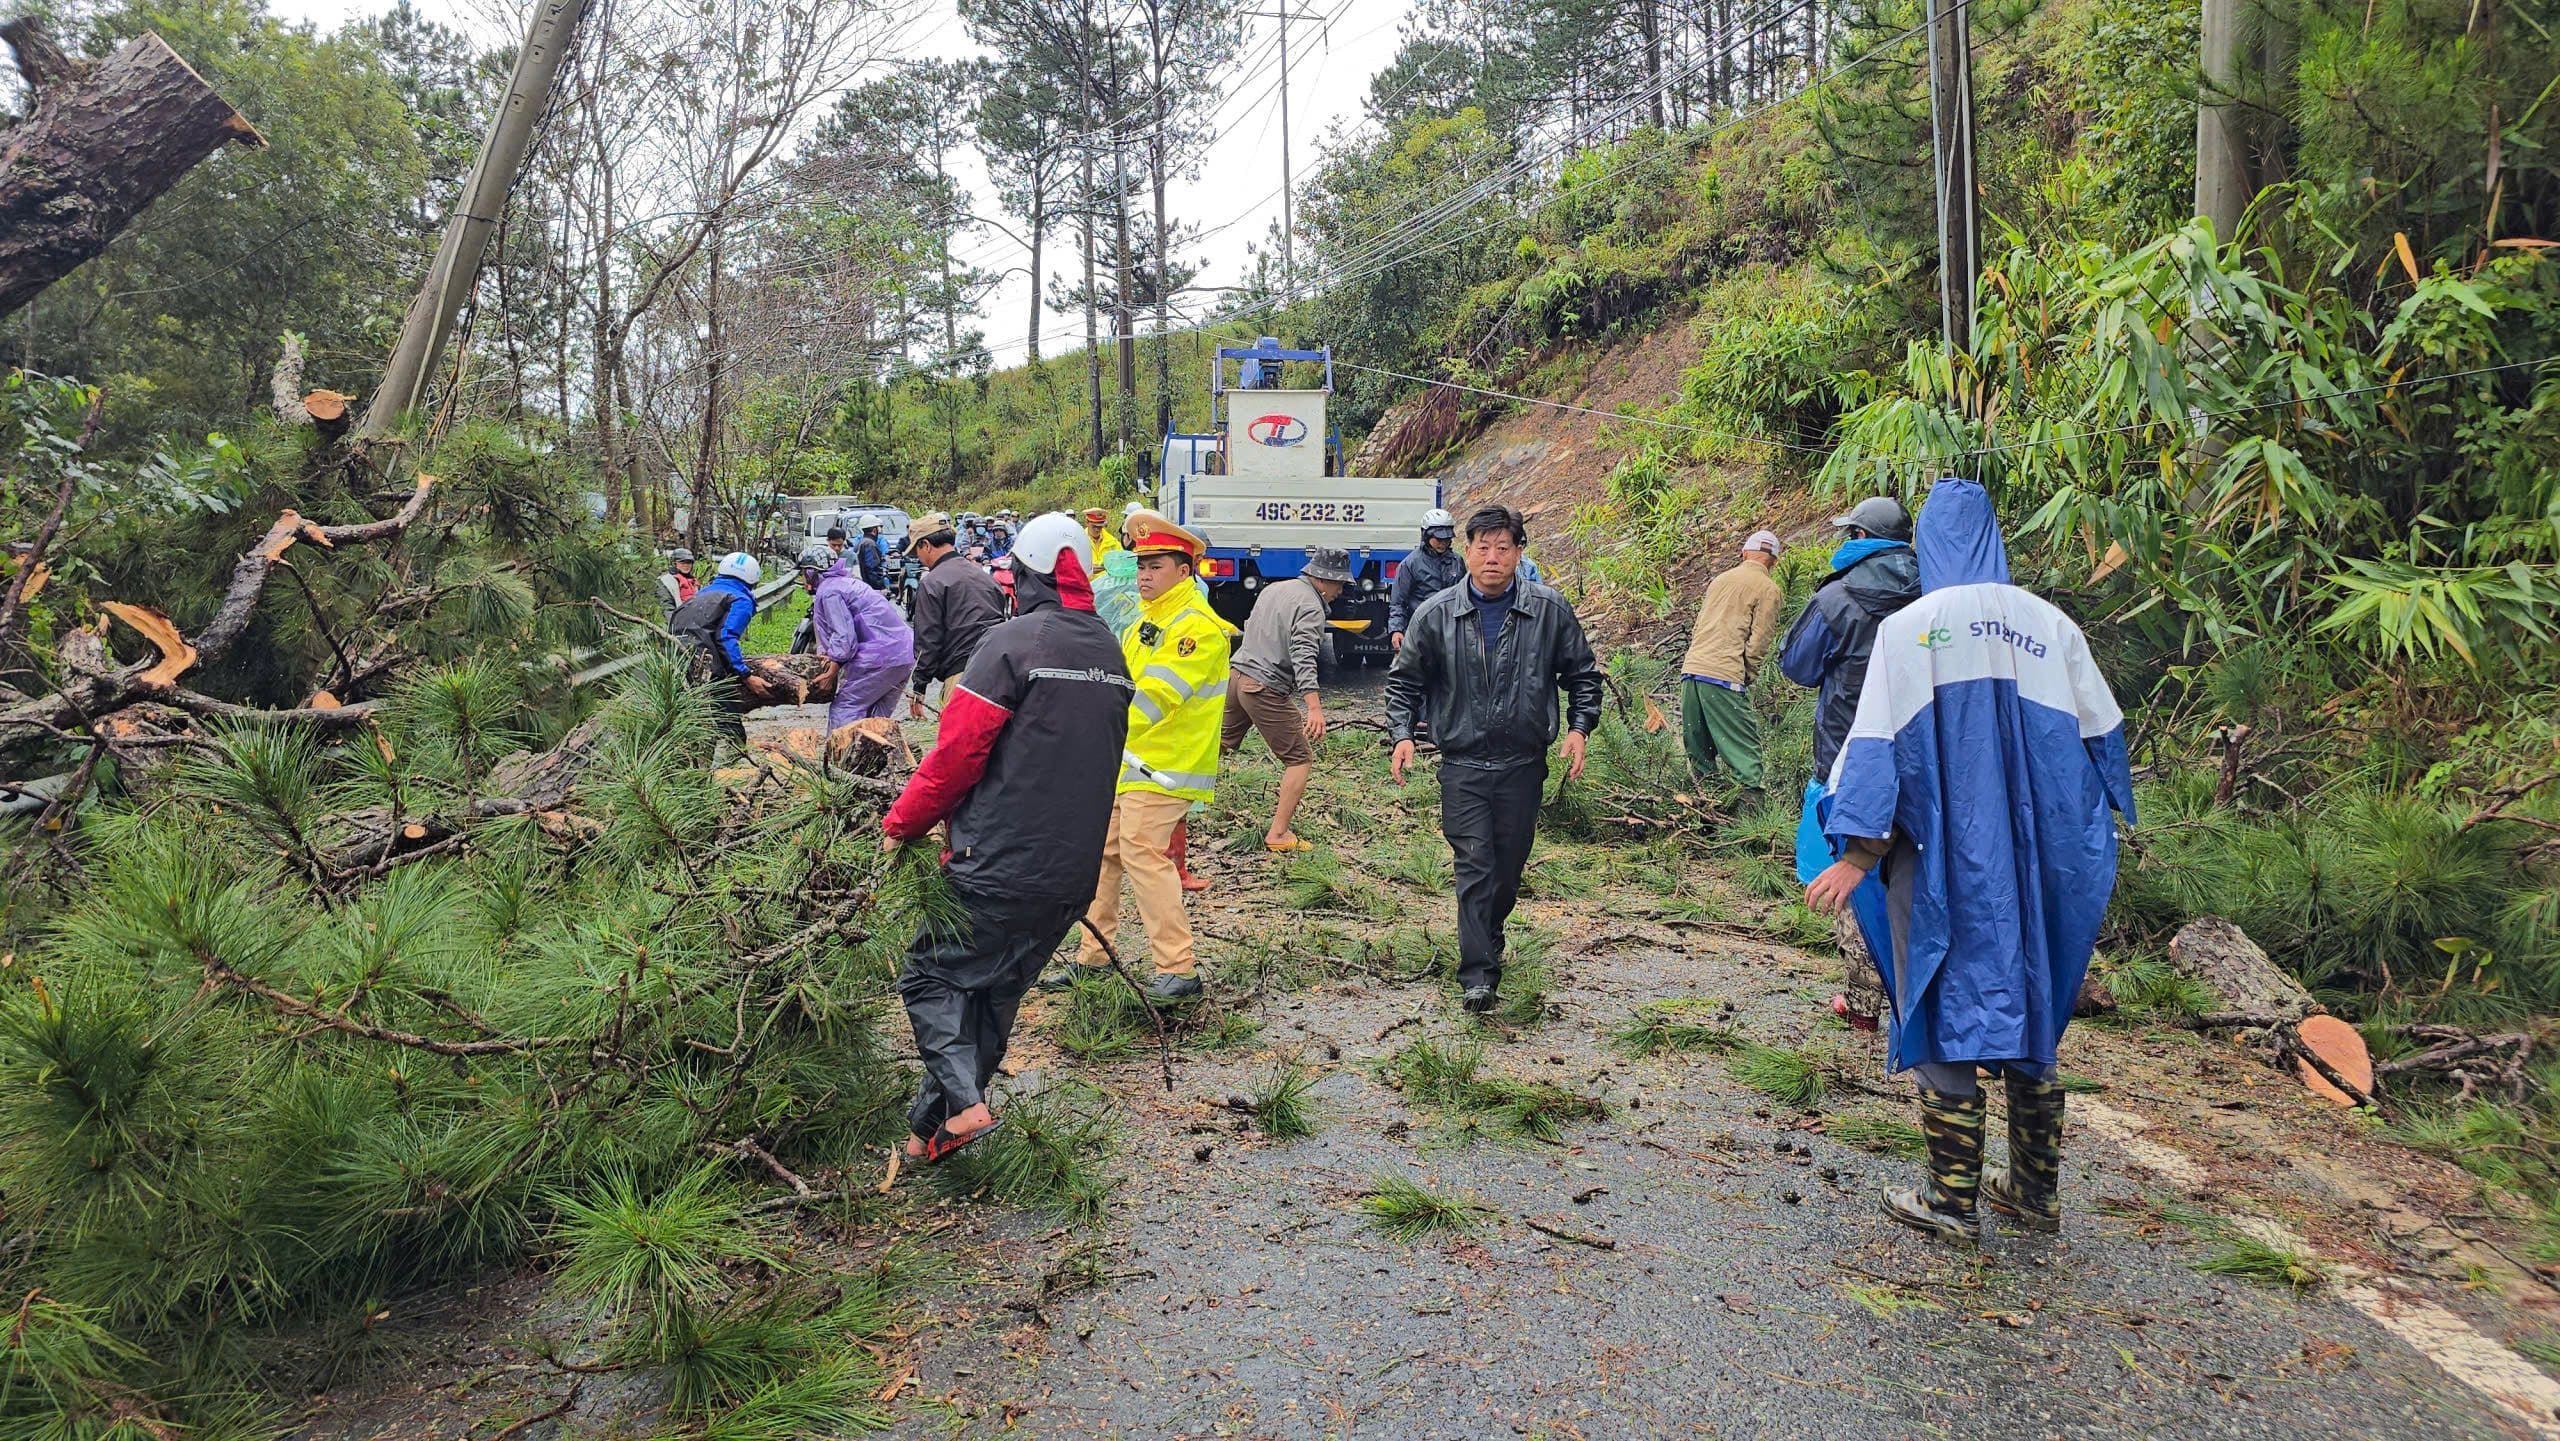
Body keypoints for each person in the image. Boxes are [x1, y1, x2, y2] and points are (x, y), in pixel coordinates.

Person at [1805, 478, 2133, 1245]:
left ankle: (1951, 1202)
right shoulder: (2052, 625)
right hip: (2037, 861)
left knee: (1940, 991)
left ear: (1930, 547)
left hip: (1941, 857)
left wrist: (1856, 851)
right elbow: (2106, 745)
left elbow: (1876, 751)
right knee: (2032, 993)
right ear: (1994, 538)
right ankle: (2034, 1191)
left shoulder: (1913, 629)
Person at [881, 513, 1135, 1162]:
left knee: (928, 979)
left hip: (996, 864)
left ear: (1024, 576)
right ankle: (925, 1137)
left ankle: (965, 1109)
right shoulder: (1109, 650)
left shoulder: (1011, 645)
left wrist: (900, 824)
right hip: (1070, 879)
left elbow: (954, 756)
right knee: (991, 1001)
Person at [1386, 506, 1603, 1013]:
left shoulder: (1548, 610)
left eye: (1503, 548)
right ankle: (1478, 975)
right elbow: (1405, 681)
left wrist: (1578, 729)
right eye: (1482, 547)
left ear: (1519, 553)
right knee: (1475, 864)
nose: (1491, 557)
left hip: (1523, 764)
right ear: (1466, 552)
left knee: (1507, 869)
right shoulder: (1436, 613)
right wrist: (1402, 734)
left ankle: (1490, 927)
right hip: (1461, 764)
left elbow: (1582, 674)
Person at [1057, 514, 1230, 1001]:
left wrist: (1093, 731)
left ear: (1184, 570)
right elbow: (1116, 684)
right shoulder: (1144, 623)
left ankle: (1179, 969)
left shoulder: (1195, 629)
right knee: (1105, 853)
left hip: (1166, 765)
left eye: (1156, 565)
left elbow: (1152, 699)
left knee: (1139, 852)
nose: (1145, 575)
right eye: (1140, 566)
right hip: (1128, 759)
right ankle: (1093, 957)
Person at [1780, 495, 1921, 1020]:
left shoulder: (1837, 597)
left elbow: (1797, 665)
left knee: (1851, 872)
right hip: (1925, 759)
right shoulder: (1939, 588)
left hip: (1850, 754)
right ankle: (1919, 996)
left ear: (1861, 539)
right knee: (1916, 874)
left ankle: (1864, 1002)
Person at [1224, 547, 1348, 853]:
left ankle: (1173, 805)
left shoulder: (1275, 589)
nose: (1340, 591)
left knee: (1216, 745)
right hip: (1263, 686)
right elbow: (1304, 656)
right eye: (1339, 584)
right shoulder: (1311, 606)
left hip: (1237, 675)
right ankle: (1278, 834)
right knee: (1299, 759)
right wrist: (1314, 707)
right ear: (1323, 580)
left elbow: (1250, 626)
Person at [1679, 530, 1786, 792]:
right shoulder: (1769, 589)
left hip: (1691, 672)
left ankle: (1709, 817)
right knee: (1744, 755)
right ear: (1773, 562)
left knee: (1700, 753)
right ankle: (1755, 825)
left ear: (1744, 553)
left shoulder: (1720, 580)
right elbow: (1759, 640)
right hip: (1723, 676)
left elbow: (1700, 626)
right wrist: (1747, 673)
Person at [905, 511, 1006, 720]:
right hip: (998, 672)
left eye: (916, 551)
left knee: (960, 747)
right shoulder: (984, 577)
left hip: (962, 678)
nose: (919, 558)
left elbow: (928, 640)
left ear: (926, 545)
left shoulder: (932, 582)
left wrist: (919, 686)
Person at [805, 545, 915, 731]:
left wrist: (832, 670)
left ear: (811, 573)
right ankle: (876, 758)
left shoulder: (829, 591)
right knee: (876, 721)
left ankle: (840, 758)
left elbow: (844, 637)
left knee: (845, 708)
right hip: (904, 654)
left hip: (879, 657)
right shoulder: (850, 583)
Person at [667, 552, 763, 738]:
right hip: (705, 665)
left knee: (691, 723)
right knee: (730, 728)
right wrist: (746, 674)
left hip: (675, 659)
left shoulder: (701, 593)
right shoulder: (740, 600)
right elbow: (726, 637)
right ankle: (731, 760)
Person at [1388, 508, 1462, 652]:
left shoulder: (1457, 561)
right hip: (1420, 633)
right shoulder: (1410, 564)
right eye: (1439, 539)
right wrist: (1396, 630)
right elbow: (1398, 602)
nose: (1443, 543)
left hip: (1451, 634)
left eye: (1447, 539)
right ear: (1426, 535)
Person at [658, 547, 698, 613]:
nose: (686, 565)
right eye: (682, 563)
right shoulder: (666, 581)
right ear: (674, 564)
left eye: (689, 563)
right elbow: (666, 607)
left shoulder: (694, 582)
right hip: (678, 618)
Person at [856, 514, 889, 591]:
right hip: (870, 588)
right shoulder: (870, 544)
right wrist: (881, 587)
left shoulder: (860, 543)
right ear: (874, 530)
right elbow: (872, 568)